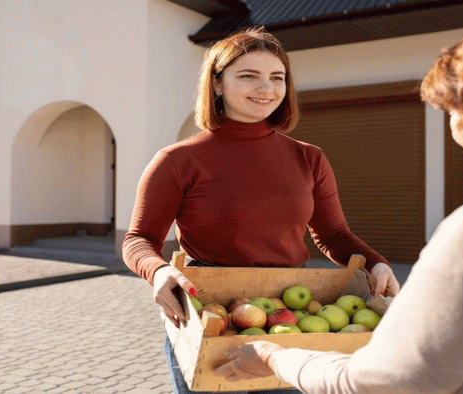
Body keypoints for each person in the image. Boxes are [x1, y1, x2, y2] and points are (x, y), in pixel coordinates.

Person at [213, 2, 463, 393]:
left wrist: (273, 356)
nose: (457, 131)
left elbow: (385, 383)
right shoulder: (182, 158)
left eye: (457, 112)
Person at [123, 27, 400, 394]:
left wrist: (375, 262)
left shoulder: (309, 157)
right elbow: (139, 239)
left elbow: (332, 235)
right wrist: (157, 273)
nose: (266, 88)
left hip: (290, 309)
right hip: (209, 309)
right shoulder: (178, 160)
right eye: (248, 76)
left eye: (277, 77)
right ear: (217, 84)